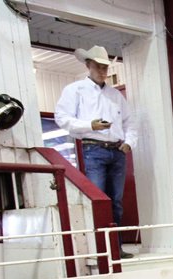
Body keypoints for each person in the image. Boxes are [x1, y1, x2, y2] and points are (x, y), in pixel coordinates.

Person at [55, 45, 138, 258]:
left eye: (105, 67)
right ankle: (101, 248)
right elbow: (62, 118)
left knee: (116, 201)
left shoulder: (114, 95)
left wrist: (129, 142)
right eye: (99, 66)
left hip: (117, 150)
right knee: (99, 200)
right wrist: (89, 126)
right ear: (88, 65)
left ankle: (115, 247)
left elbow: (130, 121)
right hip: (93, 148)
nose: (102, 71)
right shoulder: (75, 90)